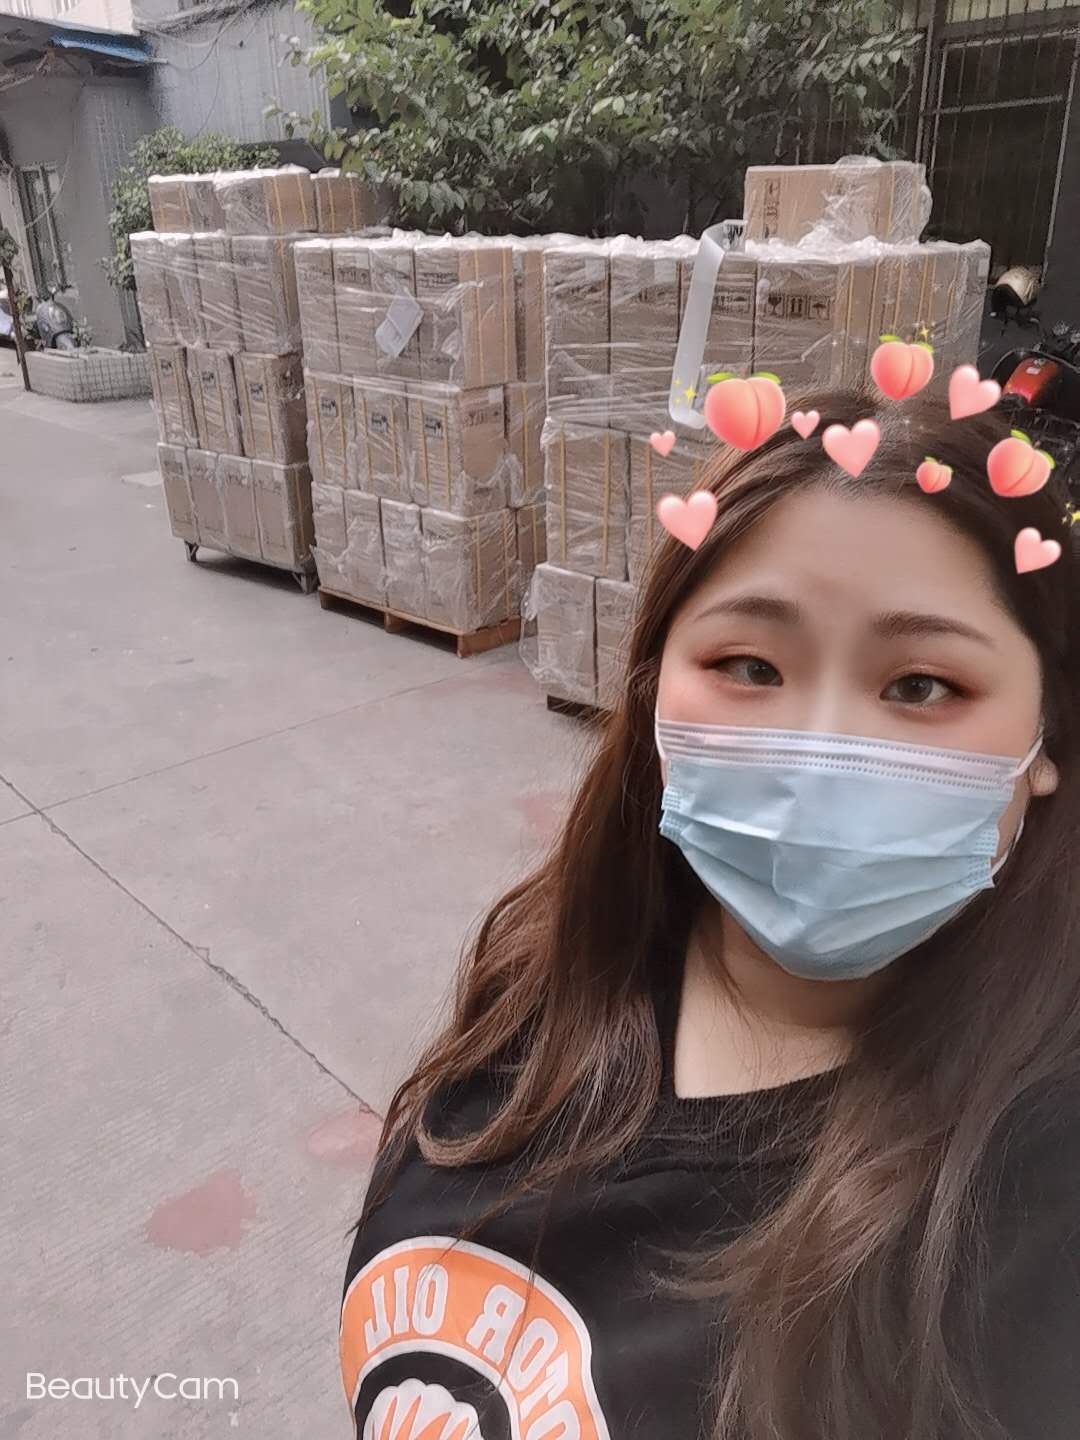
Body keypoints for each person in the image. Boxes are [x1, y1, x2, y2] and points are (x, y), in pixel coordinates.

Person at [340, 390, 1080, 1440]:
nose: (817, 755)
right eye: (750, 667)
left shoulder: (1037, 1196)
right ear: (654, 692)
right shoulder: (554, 969)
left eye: (921, 685)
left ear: (1048, 737)